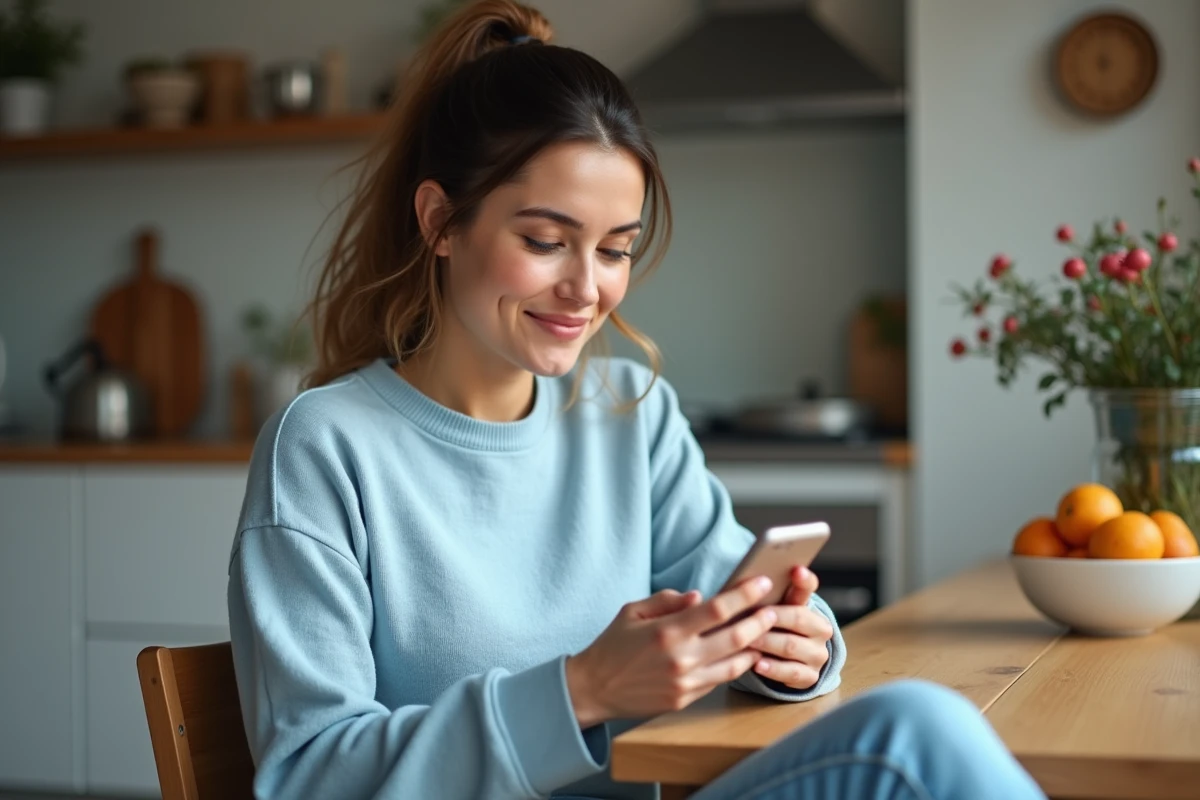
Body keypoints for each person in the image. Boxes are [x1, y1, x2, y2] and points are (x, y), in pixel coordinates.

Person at [226, 2, 1047, 798]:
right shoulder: (326, 447)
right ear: (441, 220)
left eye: (615, 249)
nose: (587, 288)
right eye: (545, 242)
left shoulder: (627, 411)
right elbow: (309, 775)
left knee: (911, 729)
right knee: (911, 744)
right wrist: (581, 690)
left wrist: (800, 647)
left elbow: (740, 594)